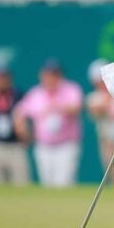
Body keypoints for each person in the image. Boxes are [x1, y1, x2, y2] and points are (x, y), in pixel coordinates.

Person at [14, 60, 83, 188]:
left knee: (64, 183)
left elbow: (77, 107)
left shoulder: (70, 89)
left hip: (66, 145)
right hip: (43, 146)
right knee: (47, 183)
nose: (51, 78)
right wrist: (21, 127)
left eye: (54, 74)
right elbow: (20, 111)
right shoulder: (36, 93)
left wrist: (57, 107)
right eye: (48, 74)